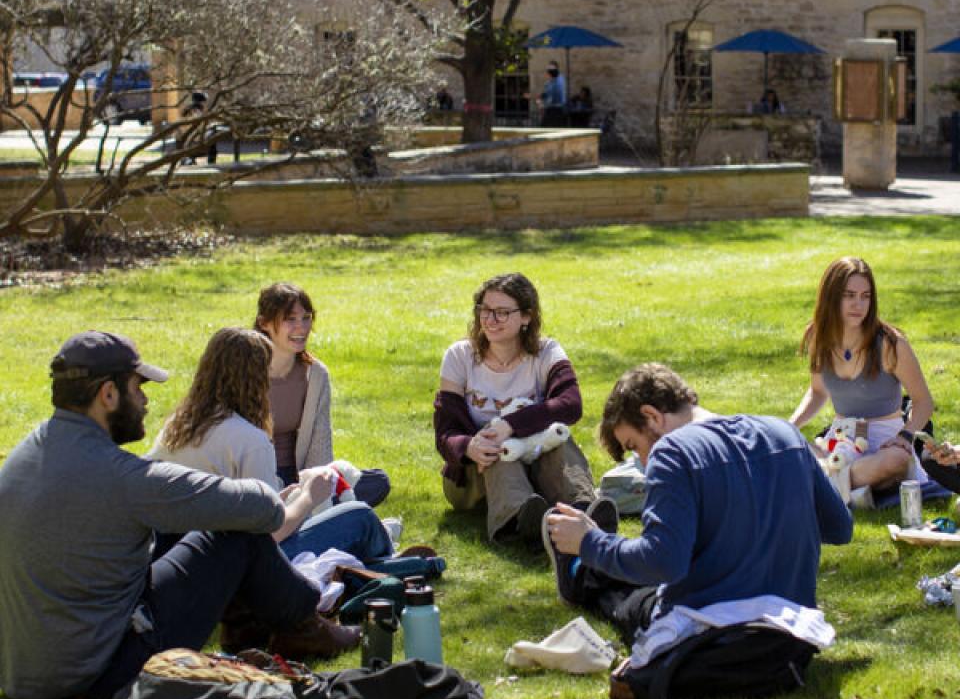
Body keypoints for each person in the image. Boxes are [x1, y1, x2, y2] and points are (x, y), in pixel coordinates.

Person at [0, 331, 361, 699]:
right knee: (236, 533)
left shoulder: (23, 458)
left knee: (190, 532)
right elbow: (262, 509)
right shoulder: (122, 476)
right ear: (108, 394)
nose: (144, 401)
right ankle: (305, 625)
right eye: (138, 387)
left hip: (23, 674)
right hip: (97, 672)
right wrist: (297, 495)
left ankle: (281, 627)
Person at [544, 363, 853, 645]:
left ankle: (580, 569)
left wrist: (590, 542)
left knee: (631, 596)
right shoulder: (785, 434)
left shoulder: (672, 453)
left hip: (714, 627)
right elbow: (840, 527)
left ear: (652, 416)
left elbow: (662, 561)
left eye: (634, 446)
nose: (641, 460)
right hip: (794, 625)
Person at [149, 327, 394, 566]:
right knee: (359, 516)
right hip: (238, 568)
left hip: (179, 557)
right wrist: (308, 498)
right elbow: (270, 535)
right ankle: (393, 566)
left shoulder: (178, 426)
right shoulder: (250, 440)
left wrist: (281, 498)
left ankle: (383, 566)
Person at [434, 272, 596, 543]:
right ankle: (520, 523)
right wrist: (468, 447)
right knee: (496, 447)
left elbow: (570, 405)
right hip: (475, 476)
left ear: (526, 316)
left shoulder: (546, 352)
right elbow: (445, 432)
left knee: (558, 439)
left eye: (501, 312)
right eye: (485, 310)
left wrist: (509, 424)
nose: (490, 320)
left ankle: (585, 510)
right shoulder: (460, 356)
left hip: (535, 462)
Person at [789, 257, 935, 502]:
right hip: (841, 437)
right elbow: (817, 392)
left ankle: (826, 483)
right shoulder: (818, 337)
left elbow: (924, 402)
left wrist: (905, 437)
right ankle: (845, 485)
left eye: (865, 296)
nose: (859, 304)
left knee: (896, 461)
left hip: (883, 441)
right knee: (793, 451)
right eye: (849, 295)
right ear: (831, 297)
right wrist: (789, 427)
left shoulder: (890, 343)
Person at [254, 282, 390, 506]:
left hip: (298, 475)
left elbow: (320, 443)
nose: (302, 328)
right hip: (256, 476)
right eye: (290, 319)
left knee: (376, 481)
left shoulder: (316, 374)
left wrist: (313, 488)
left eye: (306, 318)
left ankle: (309, 512)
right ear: (264, 323)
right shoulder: (246, 371)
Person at [539, 62, 567, 127]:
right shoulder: (549, 83)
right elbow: (545, 94)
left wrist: (543, 104)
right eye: (548, 70)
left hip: (557, 110)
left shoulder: (559, 80)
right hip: (551, 110)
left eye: (551, 69)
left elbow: (554, 96)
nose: (549, 71)